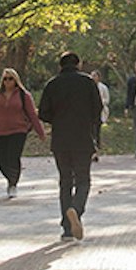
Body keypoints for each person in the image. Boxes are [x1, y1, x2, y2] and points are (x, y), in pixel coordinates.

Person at [37, 52, 104, 240]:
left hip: (60, 140)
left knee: (65, 181)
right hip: (82, 138)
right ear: (79, 64)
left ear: (60, 65)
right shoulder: (87, 82)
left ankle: (67, 228)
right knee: (83, 180)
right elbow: (97, 109)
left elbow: (43, 113)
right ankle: (76, 209)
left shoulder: (52, 84)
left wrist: (58, 119)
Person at [0, 68, 44, 198]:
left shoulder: (23, 95)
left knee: (13, 157)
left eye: (10, 79)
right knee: (1, 161)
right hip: (0, 131)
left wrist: (40, 132)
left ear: (16, 80)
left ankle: (13, 183)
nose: (7, 81)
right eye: (5, 79)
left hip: (18, 131)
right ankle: (10, 178)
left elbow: (32, 115)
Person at [93, 67, 112, 160]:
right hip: (89, 113)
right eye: (92, 75)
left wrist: (100, 102)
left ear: (99, 77)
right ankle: (92, 151)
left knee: (97, 131)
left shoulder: (103, 87)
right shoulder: (88, 86)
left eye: (95, 75)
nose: (93, 77)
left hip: (99, 112)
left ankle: (96, 150)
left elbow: (107, 99)